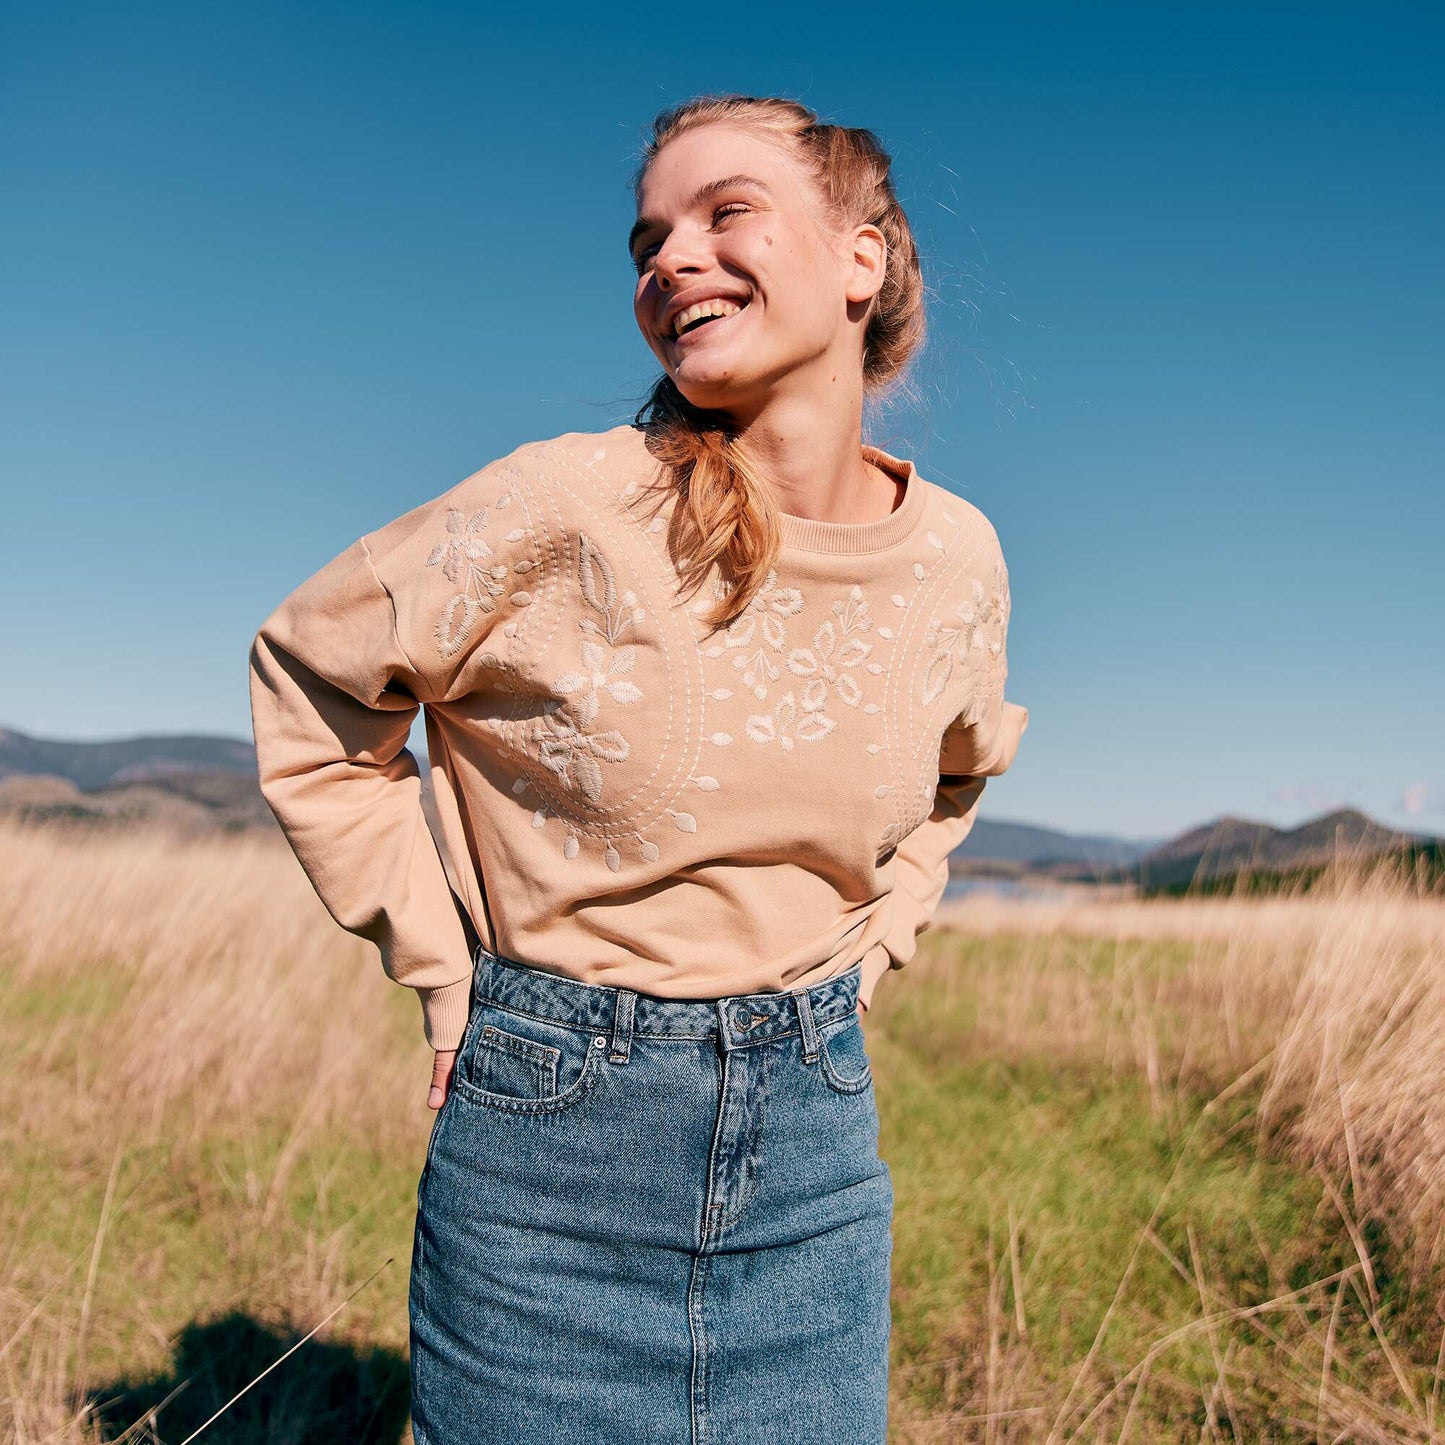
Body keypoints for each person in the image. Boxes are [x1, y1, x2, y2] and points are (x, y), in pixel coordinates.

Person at [249, 91, 1028, 1445]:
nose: (668, 258)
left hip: (816, 1155)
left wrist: (873, 944)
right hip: (546, 1153)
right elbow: (313, 679)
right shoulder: (562, 502)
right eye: (647, 238)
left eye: (725, 212)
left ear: (862, 257)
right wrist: (440, 966)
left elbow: (958, 775)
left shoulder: (956, 557)